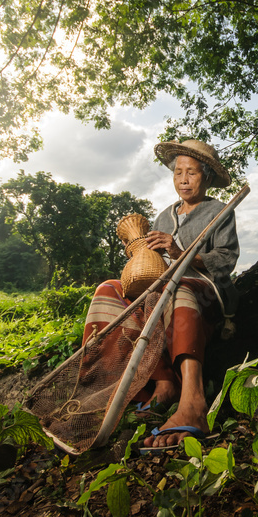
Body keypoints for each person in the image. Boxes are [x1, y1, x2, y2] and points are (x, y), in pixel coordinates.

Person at [83, 139, 239, 450]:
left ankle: (192, 400)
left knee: (174, 286)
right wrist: (141, 255)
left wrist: (180, 253)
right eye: (178, 172)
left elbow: (226, 259)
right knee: (109, 290)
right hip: (162, 289)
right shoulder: (164, 216)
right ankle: (158, 382)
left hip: (203, 293)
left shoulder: (219, 211)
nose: (183, 179)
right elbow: (154, 265)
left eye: (192, 173)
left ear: (207, 176)